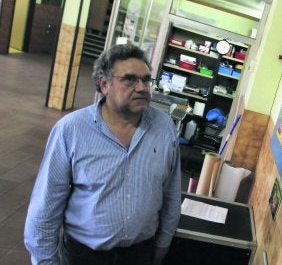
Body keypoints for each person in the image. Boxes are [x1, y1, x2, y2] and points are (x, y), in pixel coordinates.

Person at [24, 44, 182, 265]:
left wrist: (163, 243)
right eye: (129, 80)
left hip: (140, 254)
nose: (142, 88)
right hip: (85, 256)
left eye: (146, 80)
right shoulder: (71, 130)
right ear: (104, 84)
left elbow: (171, 193)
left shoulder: (164, 127)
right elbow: (46, 205)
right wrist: (45, 261)